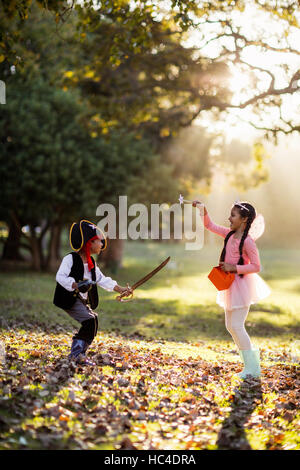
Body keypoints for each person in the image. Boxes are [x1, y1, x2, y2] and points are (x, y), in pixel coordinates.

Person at [193, 200, 271, 379]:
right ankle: (249, 366)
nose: (229, 218)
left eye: (233, 215)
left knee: (237, 325)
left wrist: (234, 268)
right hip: (229, 284)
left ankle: (253, 367)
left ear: (244, 219)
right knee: (230, 325)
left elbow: (256, 266)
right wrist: (203, 209)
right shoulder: (228, 234)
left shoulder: (248, 242)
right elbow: (209, 225)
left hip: (242, 285)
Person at [53, 219, 132, 366]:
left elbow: (102, 280)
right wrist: (75, 284)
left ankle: (80, 352)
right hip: (68, 298)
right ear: (89, 243)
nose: (102, 245)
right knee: (89, 321)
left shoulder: (91, 263)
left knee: (93, 321)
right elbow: (60, 276)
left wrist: (121, 289)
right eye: (99, 241)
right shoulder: (70, 259)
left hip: (81, 300)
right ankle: (76, 355)